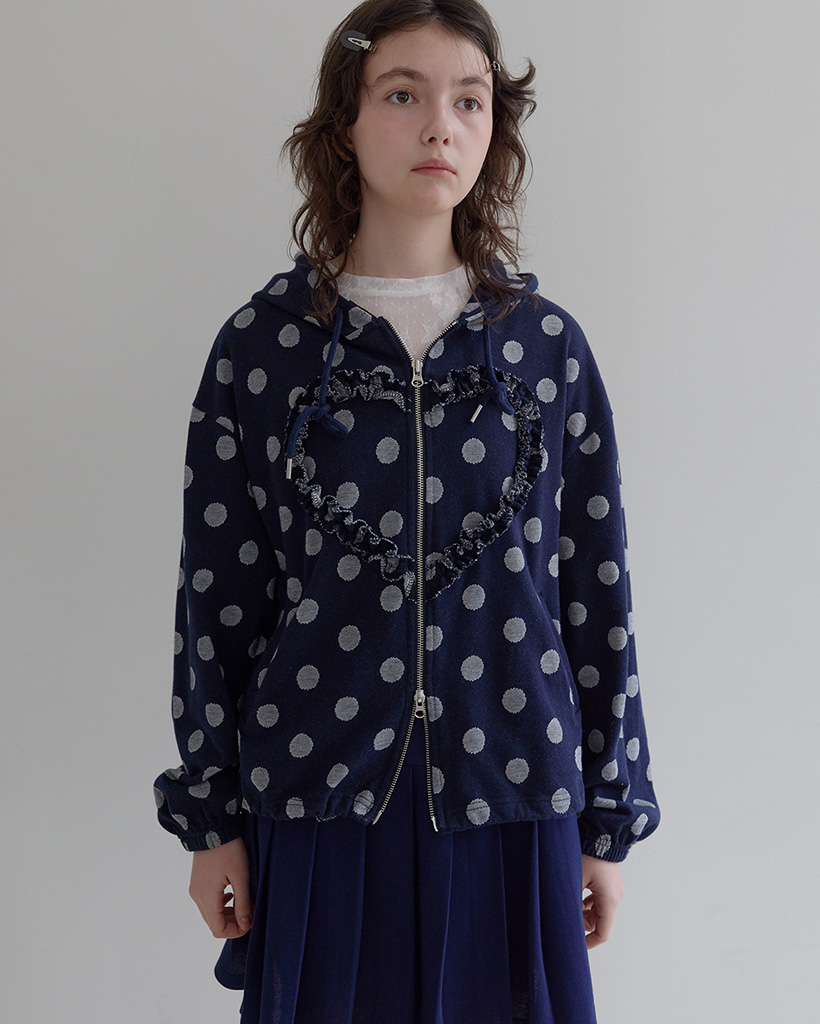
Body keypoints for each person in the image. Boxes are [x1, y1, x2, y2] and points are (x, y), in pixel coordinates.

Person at [152, 1, 660, 1021]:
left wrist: (610, 816)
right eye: (402, 94)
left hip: (514, 789)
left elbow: (594, 589)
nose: (440, 126)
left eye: (469, 101)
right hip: (317, 796)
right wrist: (211, 817)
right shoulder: (262, 348)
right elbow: (217, 599)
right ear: (344, 122)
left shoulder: (545, 347)